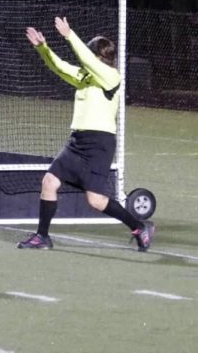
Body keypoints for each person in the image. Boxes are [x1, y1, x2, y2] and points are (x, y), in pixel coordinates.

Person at [17, 17, 155, 251]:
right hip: (77, 141)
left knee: (95, 200)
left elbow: (86, 59)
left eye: (89, 57)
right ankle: (42, 237)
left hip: (98, 144)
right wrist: (43, 48)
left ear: (97, 58)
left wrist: (70, 35)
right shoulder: (85, 77)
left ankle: (139, 227)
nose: (84, 62)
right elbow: (59, 66)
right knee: (49, 182)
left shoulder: (113, 78)